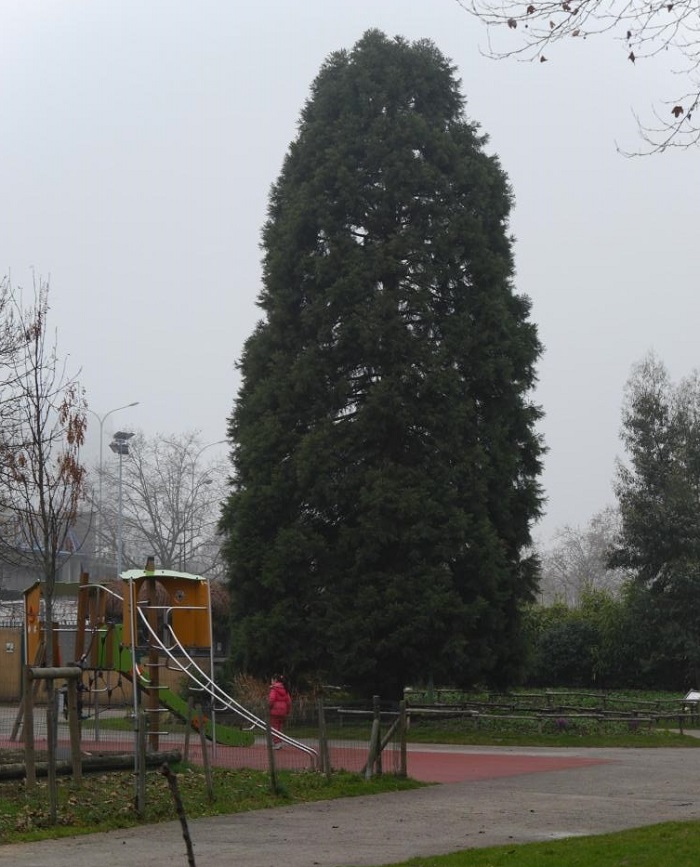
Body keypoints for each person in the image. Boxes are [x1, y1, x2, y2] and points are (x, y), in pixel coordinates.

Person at [268, 674, 292, 749]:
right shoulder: (285, 689)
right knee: (280, 727)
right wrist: (287, 711)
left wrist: (269, 707)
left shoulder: (274, 689)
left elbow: (271, 699)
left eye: (272, 680)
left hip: (275, 711)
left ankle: (276, 743)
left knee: (274, 727)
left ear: (275, 680)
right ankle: (280, 742)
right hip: (283, 711)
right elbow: (289, 702)